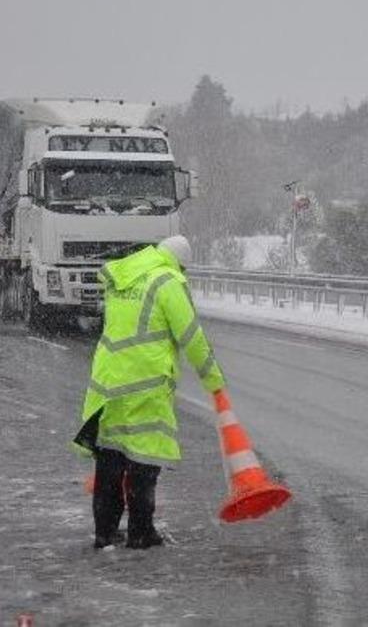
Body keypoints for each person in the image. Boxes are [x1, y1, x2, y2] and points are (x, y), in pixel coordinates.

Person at [73, 235, 226, 549]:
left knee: (111, 458)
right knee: (144, 459)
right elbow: (191, 336)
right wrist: (213, 380)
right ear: (179, 262)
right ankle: (141, 533)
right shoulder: (167, 281)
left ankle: (104, 532)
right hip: (145, 381)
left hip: (110, 379)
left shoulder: (124, 275)